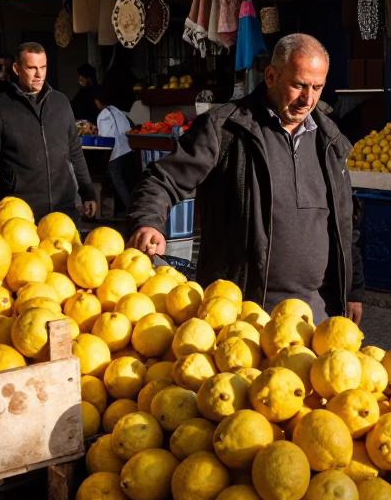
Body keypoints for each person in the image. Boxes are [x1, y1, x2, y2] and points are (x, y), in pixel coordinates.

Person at [128, 33, 364, 325]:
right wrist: (149, 223)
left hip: (316, 315)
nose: (308, 99)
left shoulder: (330, 140)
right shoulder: (226, 129)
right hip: (243, 314)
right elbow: (162, 178)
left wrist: (353, 289)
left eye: (317, 87)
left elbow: (344, 221)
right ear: (271, 76)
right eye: (298, 85)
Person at [0, 42, 96, 223]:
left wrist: (87, 191)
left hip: (63, 210)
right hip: (19, 214)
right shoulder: (0, 107)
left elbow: (75, 152)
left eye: (43, 67)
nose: (39, 74)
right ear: (17, 68)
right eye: (32, 68)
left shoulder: (61, 102)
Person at [94, 84, 138, 210]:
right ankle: (135, 209)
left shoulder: (102, 116)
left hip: (116, 153)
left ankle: (130, 211)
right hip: (129, 150)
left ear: (97, 101)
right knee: (131, 183)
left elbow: (106, 139)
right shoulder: (117, 110)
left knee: (119, 184)